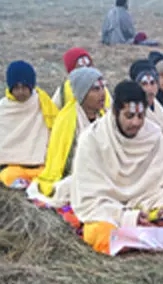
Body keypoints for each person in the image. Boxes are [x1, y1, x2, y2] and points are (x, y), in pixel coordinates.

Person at [70, 81, 163, 255]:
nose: (136, 123)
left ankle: (136, 237)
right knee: (98, 232)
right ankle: (148, 235)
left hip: (148, 203)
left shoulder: (152, 134)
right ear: (115, 111)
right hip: (112, 209)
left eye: (141, 116)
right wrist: (128, 217)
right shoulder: (92, 139)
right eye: (129, 116)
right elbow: (89, 196)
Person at [30, 68, 107, 202]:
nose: (103, 93)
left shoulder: (105, 116)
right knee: (67, 188)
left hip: (103, 173)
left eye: (103, 87)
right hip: (77, 175)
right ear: (83, 93)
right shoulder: (67, 119)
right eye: (95, 89)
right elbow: (63, 163)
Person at [0, 61, 59, 188]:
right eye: (16, 88)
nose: (20, 92)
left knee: (50, 176)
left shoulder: (42, 101)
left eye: (24, 87)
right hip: (12, 166)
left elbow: (53, 127)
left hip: (38, 164)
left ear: (31, 86)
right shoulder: (4, 107)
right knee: (8, 176)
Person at [129, 59, 163, 140]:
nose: (149, 89)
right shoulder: (130, 110)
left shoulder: (160, 109)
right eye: (144, 84)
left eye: (152, 83)